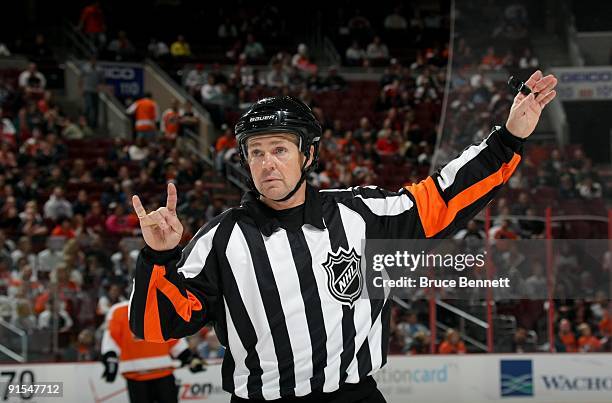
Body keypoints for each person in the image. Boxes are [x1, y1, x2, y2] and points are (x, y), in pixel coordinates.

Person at [129, 71, 557, 401]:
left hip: (353, 397)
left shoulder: (361, 215)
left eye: (279, 149)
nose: (267, 164)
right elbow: (156, 326)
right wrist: (158, 256)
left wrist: (509, 138)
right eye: (255, 153)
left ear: (308, 154)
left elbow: (444, 196)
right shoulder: (221, 238)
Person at [101, 300, 204, 403]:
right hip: (136, 377)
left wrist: (188, 357)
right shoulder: (118, 310)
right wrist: (110, 358)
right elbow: (111, 339)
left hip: (163, 375)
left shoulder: (162, 306)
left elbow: (174, 340)